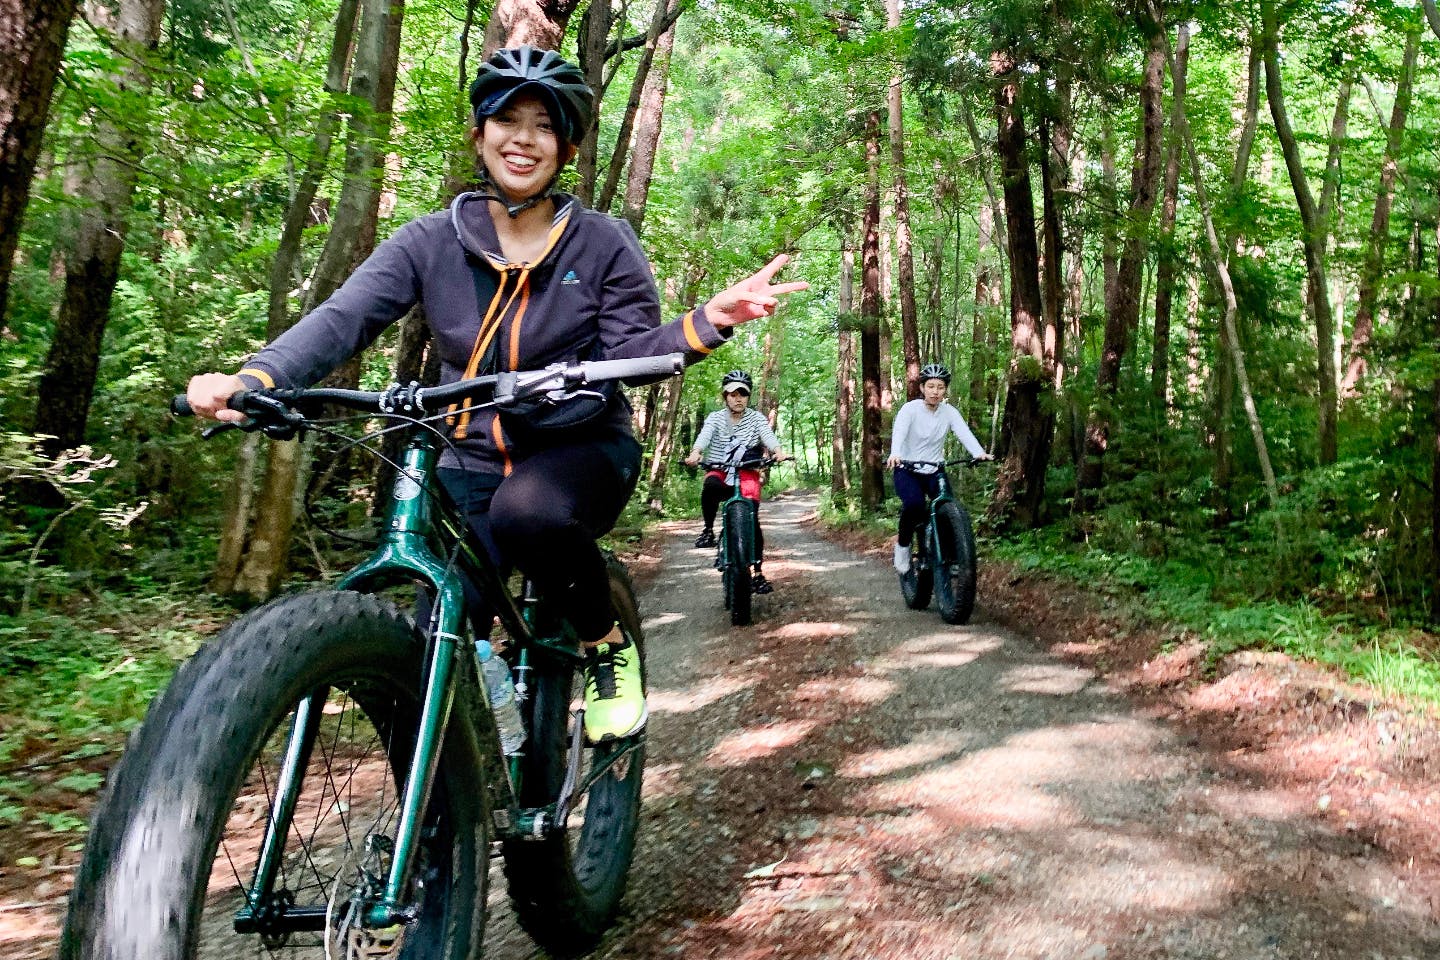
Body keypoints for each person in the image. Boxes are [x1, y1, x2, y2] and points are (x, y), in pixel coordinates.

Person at [185, 46, 806, 743]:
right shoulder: (429, 242)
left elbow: (630, 355)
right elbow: (344, 317)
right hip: (467, 453)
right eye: (506, 119)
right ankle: (442, 829)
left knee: (527, 516)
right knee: (432, 646)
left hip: (580, 447)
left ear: (565, 146)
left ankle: (605, 643)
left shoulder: (602, 244)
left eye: (544, 125)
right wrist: (257, 379)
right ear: (479, 135)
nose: (523, 138)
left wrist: (707, 323)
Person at [683, 370, 790, 594]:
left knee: (752, 518)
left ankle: (758, 573)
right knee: (710, 485)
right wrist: (696, 453)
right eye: (732, 393)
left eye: (743, 393)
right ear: (725, 396)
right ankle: (708, 530)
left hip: (746, 471)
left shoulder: (756, 418)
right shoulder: (715, 418)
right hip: (720, 470)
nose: (738, 398)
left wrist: (778, 451)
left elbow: (768, 437)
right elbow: (704, 437)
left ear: (748, 396)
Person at [885, 363, 992, 574]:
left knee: (947, 508)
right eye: (931, 386)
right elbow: (899, 432)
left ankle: (950, 558)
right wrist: (895, 453)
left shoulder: (949, 412)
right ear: (922, 388)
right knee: (914, 505)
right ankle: (903, 547)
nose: (935, 392)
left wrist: (978, 452)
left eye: (940, 387)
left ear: (945, 390)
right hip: (907, 468)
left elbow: (963, 432)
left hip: (935, 469)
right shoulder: (910, 409)